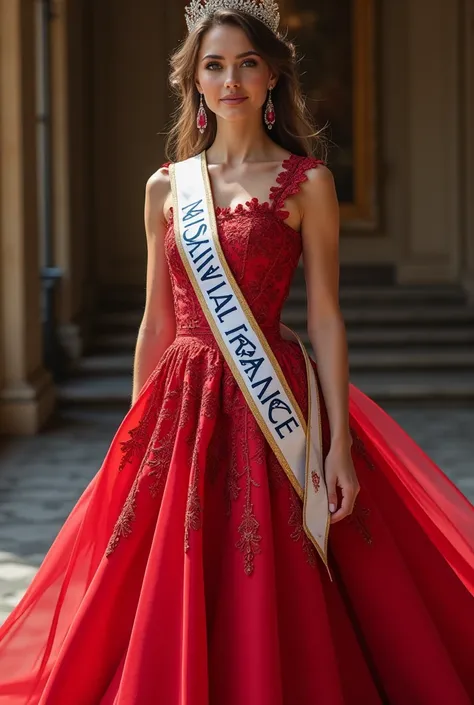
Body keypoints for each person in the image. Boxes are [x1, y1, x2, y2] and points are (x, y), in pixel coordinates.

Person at [1, 2, 474, 703]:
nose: (231, 80)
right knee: (170, 566)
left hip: (273, 397)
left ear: (273, 75)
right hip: (180, 405)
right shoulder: (167, 187)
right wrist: (134, 436)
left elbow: (326, 317)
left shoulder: (308, 183)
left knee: (276, 568)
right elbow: (156, 320)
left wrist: (340, 444)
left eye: (247, 63)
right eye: (214, 66)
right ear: (193, 81)